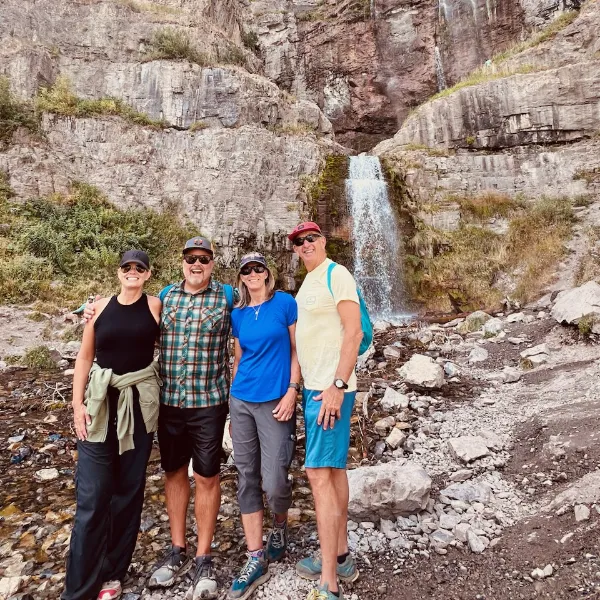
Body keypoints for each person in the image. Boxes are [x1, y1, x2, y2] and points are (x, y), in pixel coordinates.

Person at [84, 237, 235, 600]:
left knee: (208, 476)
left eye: (203, 259)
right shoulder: (164, 297)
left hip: (209, 403)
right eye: (190, 258)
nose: (196, 264)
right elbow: (123, 306)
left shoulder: (228, 296)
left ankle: (203, 556)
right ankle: (177, 549)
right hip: (167, 403)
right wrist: (86, 308)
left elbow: (261, 305)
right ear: (181, 262)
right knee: (172, 472)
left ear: (212, 263)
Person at [63, 249, 162, 600]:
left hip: (138, 408)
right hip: (99, 407)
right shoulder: (100, 307)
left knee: (127, 494)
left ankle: (112, 575)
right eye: (127, 267)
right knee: (91, 497)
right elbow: (85, 356)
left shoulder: (157, 306)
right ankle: (78, 589)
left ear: (148, 274)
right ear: (118, 272)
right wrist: (77, 405)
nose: (132, 272)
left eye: (139, 268)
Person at [288, 223, 363, 600]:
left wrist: (337, 386)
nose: (305, 245)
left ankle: (329, 581)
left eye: (311, 238)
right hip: (316, 387)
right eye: (299, 242)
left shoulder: (337, 274)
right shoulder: (310, 281)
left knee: (317, 474)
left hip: (329, 390)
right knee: (332, 470)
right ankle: (341, 555)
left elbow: (354, 332)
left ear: (323, 242)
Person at [227, 252, 300, 600]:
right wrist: (230, 400)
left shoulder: (284, 303)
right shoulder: (238, 314)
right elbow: (239, 357)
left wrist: (292, 391)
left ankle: (281, 524)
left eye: (258, 268)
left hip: (276, 400)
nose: (253, 274)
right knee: (246, 477)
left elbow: (297, 350)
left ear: (267, 274)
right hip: (241, 399)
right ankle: (255, 556)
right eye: (247, 270)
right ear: (241, 277)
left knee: (275, 480)